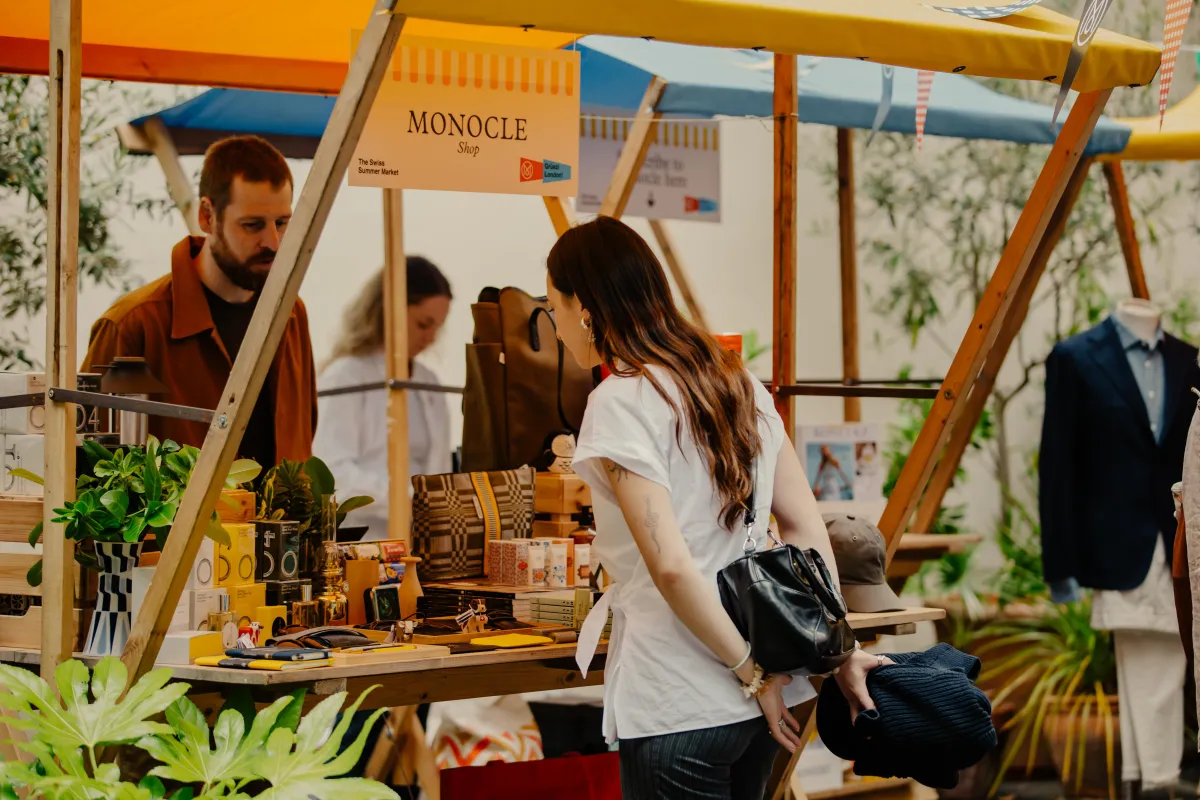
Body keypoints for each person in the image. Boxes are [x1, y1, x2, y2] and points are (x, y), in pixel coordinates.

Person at [551, 217, 888, 799]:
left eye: (552, 305)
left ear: (584, 306)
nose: (554, 325)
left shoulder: (619, 401)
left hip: (683, 695)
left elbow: (673, 566)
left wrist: (749, 673)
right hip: (761, 698)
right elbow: (805, 523)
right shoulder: (737, 382)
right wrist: (838, 651)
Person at [82, 135, 317, 468]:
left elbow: (301, 442)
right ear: (207, 216)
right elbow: (94, 473)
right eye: (252, 225)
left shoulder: (292, 314)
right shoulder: (134, 326)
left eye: (282, 222)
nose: (273, 242)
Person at [313, 258, 453, 539]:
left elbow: (439, 471)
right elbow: (332, 473)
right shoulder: (346, 376)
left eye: (438, 327)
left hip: (420, 541)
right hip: (361, 541)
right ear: (389, 311)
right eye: (423, 324)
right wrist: (408, 498)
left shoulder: (429, 382)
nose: (431, 337)